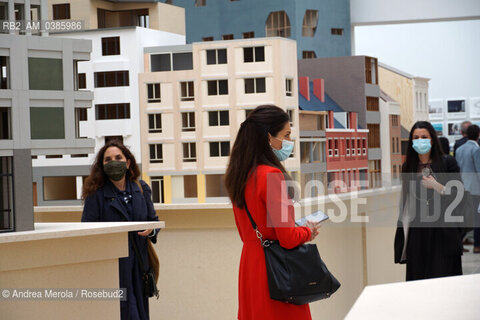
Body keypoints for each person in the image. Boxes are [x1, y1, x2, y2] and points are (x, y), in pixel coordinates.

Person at [224, 105, 321, 320]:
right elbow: (287, 238)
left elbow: (245, 233)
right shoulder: (272, 176)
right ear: (268, 137)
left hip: (251, 265)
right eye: (286, 135)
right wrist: (307, 231)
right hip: (276, 272)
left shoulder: (240, 175)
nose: (289, 142)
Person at [81, 141, 159, 320]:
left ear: (128, 162)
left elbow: (154, 222)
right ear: (102, 166)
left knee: (139, 312)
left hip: (139, 266)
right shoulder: (96, 194)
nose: (113, 162)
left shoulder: (141, 188)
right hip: (113, 267)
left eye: (118, 158)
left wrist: (151, 230)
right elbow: (87, 230)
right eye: (108, 160)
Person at [394, 121, 464, 281]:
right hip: (417, 234)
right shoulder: (408, 167)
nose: (420, 140)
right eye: (416, 137)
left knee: (444, 281)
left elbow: (459, 195)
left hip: (443, 233)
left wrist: (438, 186)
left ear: (432, 139)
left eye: (424, 136)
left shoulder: (447, 163)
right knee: (419, 283)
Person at [455, 124, 480, 254]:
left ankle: (458, 244)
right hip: (475, 189)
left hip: (462, 186)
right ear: (478, 135)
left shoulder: (460, 149)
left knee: (463, 217)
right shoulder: (476, 149)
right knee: (476, 218)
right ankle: (477, 245)